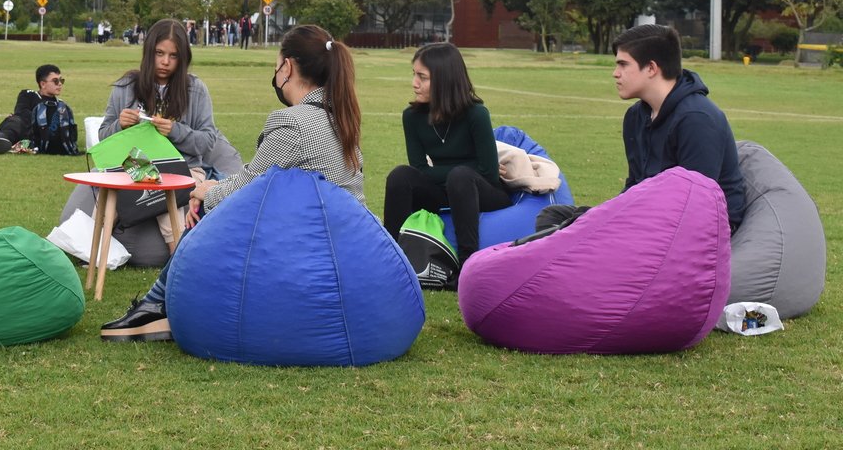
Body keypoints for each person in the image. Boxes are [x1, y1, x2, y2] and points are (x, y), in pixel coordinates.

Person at [101, 24, 363, 342]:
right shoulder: (341, 116)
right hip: (349, 249)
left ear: (288, 67)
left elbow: (248, 189)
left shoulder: (293, 123)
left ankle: (154, 305)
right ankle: (157, 304)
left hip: (309, 251)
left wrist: (202, 192)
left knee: (202, 230)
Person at [536, 23, 746, 233]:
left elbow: (696, 206)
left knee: (572, 234)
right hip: (649, 216)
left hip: (696, 229)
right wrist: (605, 216)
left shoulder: (697, 119)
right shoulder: (636, 116)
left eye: (623, 65)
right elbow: (635, 186)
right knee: (555, 216)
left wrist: (617, 224)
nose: (615, 74)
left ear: (651, 69)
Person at [382, 43, 508, 286]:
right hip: (443, 191)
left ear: (444, 80)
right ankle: (392, 260)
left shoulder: (476, 114)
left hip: (484, 192)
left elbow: (489, 174)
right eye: (414, 75)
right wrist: (462, 167)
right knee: (400, 175)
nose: (414, 83)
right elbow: (418, 170)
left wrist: (450, 171)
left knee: (460, 176)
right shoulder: (412, 117)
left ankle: (466, 265)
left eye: (422, 77)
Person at [99, 18, 219, 253]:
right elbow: (103, 137)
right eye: (159, 53)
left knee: (166, 195)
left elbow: (208, 141)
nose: (165, 62)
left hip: (182, 168)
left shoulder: (195, 89)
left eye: (173, 56)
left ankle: (180, 260)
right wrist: (120, 126)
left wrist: (176, 131)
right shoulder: (125, 86)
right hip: (133, 167)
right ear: (148, 53)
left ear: (182, 59)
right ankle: (91, 253)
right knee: (106, 202)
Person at [0, 64, 79, 155]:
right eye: (55, 81)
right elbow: (22, 112)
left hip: (42, 137)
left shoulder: (61, 105)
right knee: (17, 119)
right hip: (24, 128)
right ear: (43, 84)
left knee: (16, 119)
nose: (60, 84)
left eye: (61, 80)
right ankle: (1, 140)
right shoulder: (29, 94)